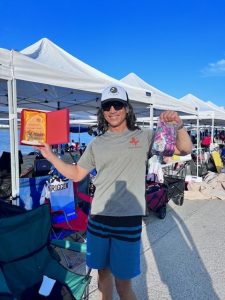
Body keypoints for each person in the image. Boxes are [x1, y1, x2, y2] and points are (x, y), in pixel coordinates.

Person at [36, 85, 192, 300]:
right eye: (107, 106)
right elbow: (76, 174)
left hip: (127, 223)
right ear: (102, 111)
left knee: (124, 285)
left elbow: (184, 149)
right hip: (98, 220)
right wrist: (50, 155)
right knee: (103, 275)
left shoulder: (144, 136)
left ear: (127, 108)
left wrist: (180, 126)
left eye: (117, 104)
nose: (112, 110)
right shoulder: (96, 143)